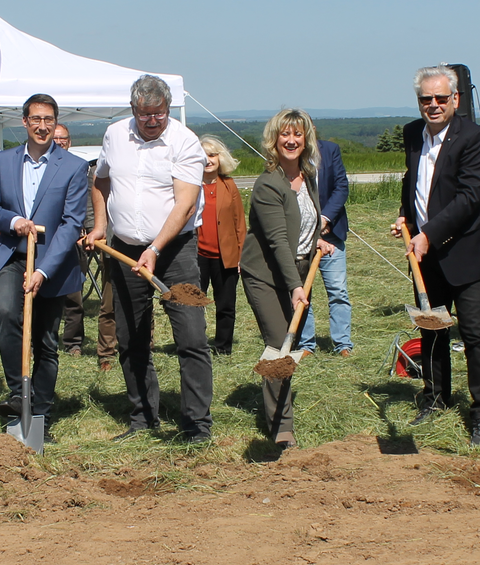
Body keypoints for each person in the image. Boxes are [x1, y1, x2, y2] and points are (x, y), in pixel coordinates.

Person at [85, 74, 214, 442]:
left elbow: (186, 203)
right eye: (145, 114)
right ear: (133, 110)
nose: (152, 120)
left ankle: (196, 424)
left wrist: (155, 249)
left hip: (176, 251)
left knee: (190, 335)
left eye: (159, 113)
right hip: (125, 251)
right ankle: (143, 417)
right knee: (131, 336)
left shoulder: (184, 142)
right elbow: (100, 179)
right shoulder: (114, 136)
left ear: (168, 109)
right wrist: (100, 225)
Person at [391, 65, 480, 449]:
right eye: (426, 99)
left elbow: (470, 198)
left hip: (465, 253)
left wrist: (429, 234)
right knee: (432, 330)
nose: (433, 105)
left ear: (455, 99)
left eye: (440, 98)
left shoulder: (474, 138)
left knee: (475, 336)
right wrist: (406, 215)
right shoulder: (412, 134)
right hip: (425, 255)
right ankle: (435, 398)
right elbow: (414, 181)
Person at [0, 96, 88, 441]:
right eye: (36, 119)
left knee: (45, 338)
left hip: (52, 263)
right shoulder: (4, 161)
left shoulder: (73, 166)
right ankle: (18, 392)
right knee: (8, 313)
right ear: (24, 121)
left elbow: (72, 224)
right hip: (12, 255)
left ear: (55, 123)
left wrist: (43, 271)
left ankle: (39, 410)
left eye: (49, 120)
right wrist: (13, 221)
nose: (42, 126)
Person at [241, 108, 335, 449]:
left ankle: (280, 411)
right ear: (274, 140)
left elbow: (302, 226)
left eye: (298, 134)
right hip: (266, 275)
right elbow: (279, 240)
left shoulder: (307, 177)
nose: (291, 140)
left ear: (306, 139)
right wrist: (295, 286)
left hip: (298, 270)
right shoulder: (269, 184)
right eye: (285, 134)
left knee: (290, 344)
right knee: (279, 344)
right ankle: (282, 427)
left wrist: (316, 242)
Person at [298, 137, 354, 357]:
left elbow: (341, 186)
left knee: (338, 290)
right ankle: (306, 344)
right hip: (301, 236)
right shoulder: (290, 155)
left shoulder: (330, 149)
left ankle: (343, 344)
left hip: (332, 232)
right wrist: (311, 226)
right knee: (303, 291)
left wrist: (325, 218)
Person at [197, 135, 246, 355]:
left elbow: (239, 223)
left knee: (226, 305)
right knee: (194, 304)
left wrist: (241, 256)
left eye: (212, 155)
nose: (208, 160)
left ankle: (223, 347)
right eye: (203, 155)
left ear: (220, 158)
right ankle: (195, 344)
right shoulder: (190, 184)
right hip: (197, 255)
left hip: (225, 257)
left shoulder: (229, 185)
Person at [53, 123, 90, 357]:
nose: (59, 142)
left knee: (73, 296)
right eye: (55, 139)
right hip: (46, 240)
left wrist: (89, 231)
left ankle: (73, 342)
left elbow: (88, 203)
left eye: (63, 139)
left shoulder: (79, 168)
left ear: (69, 141)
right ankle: (42, 340)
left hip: (74, 241)